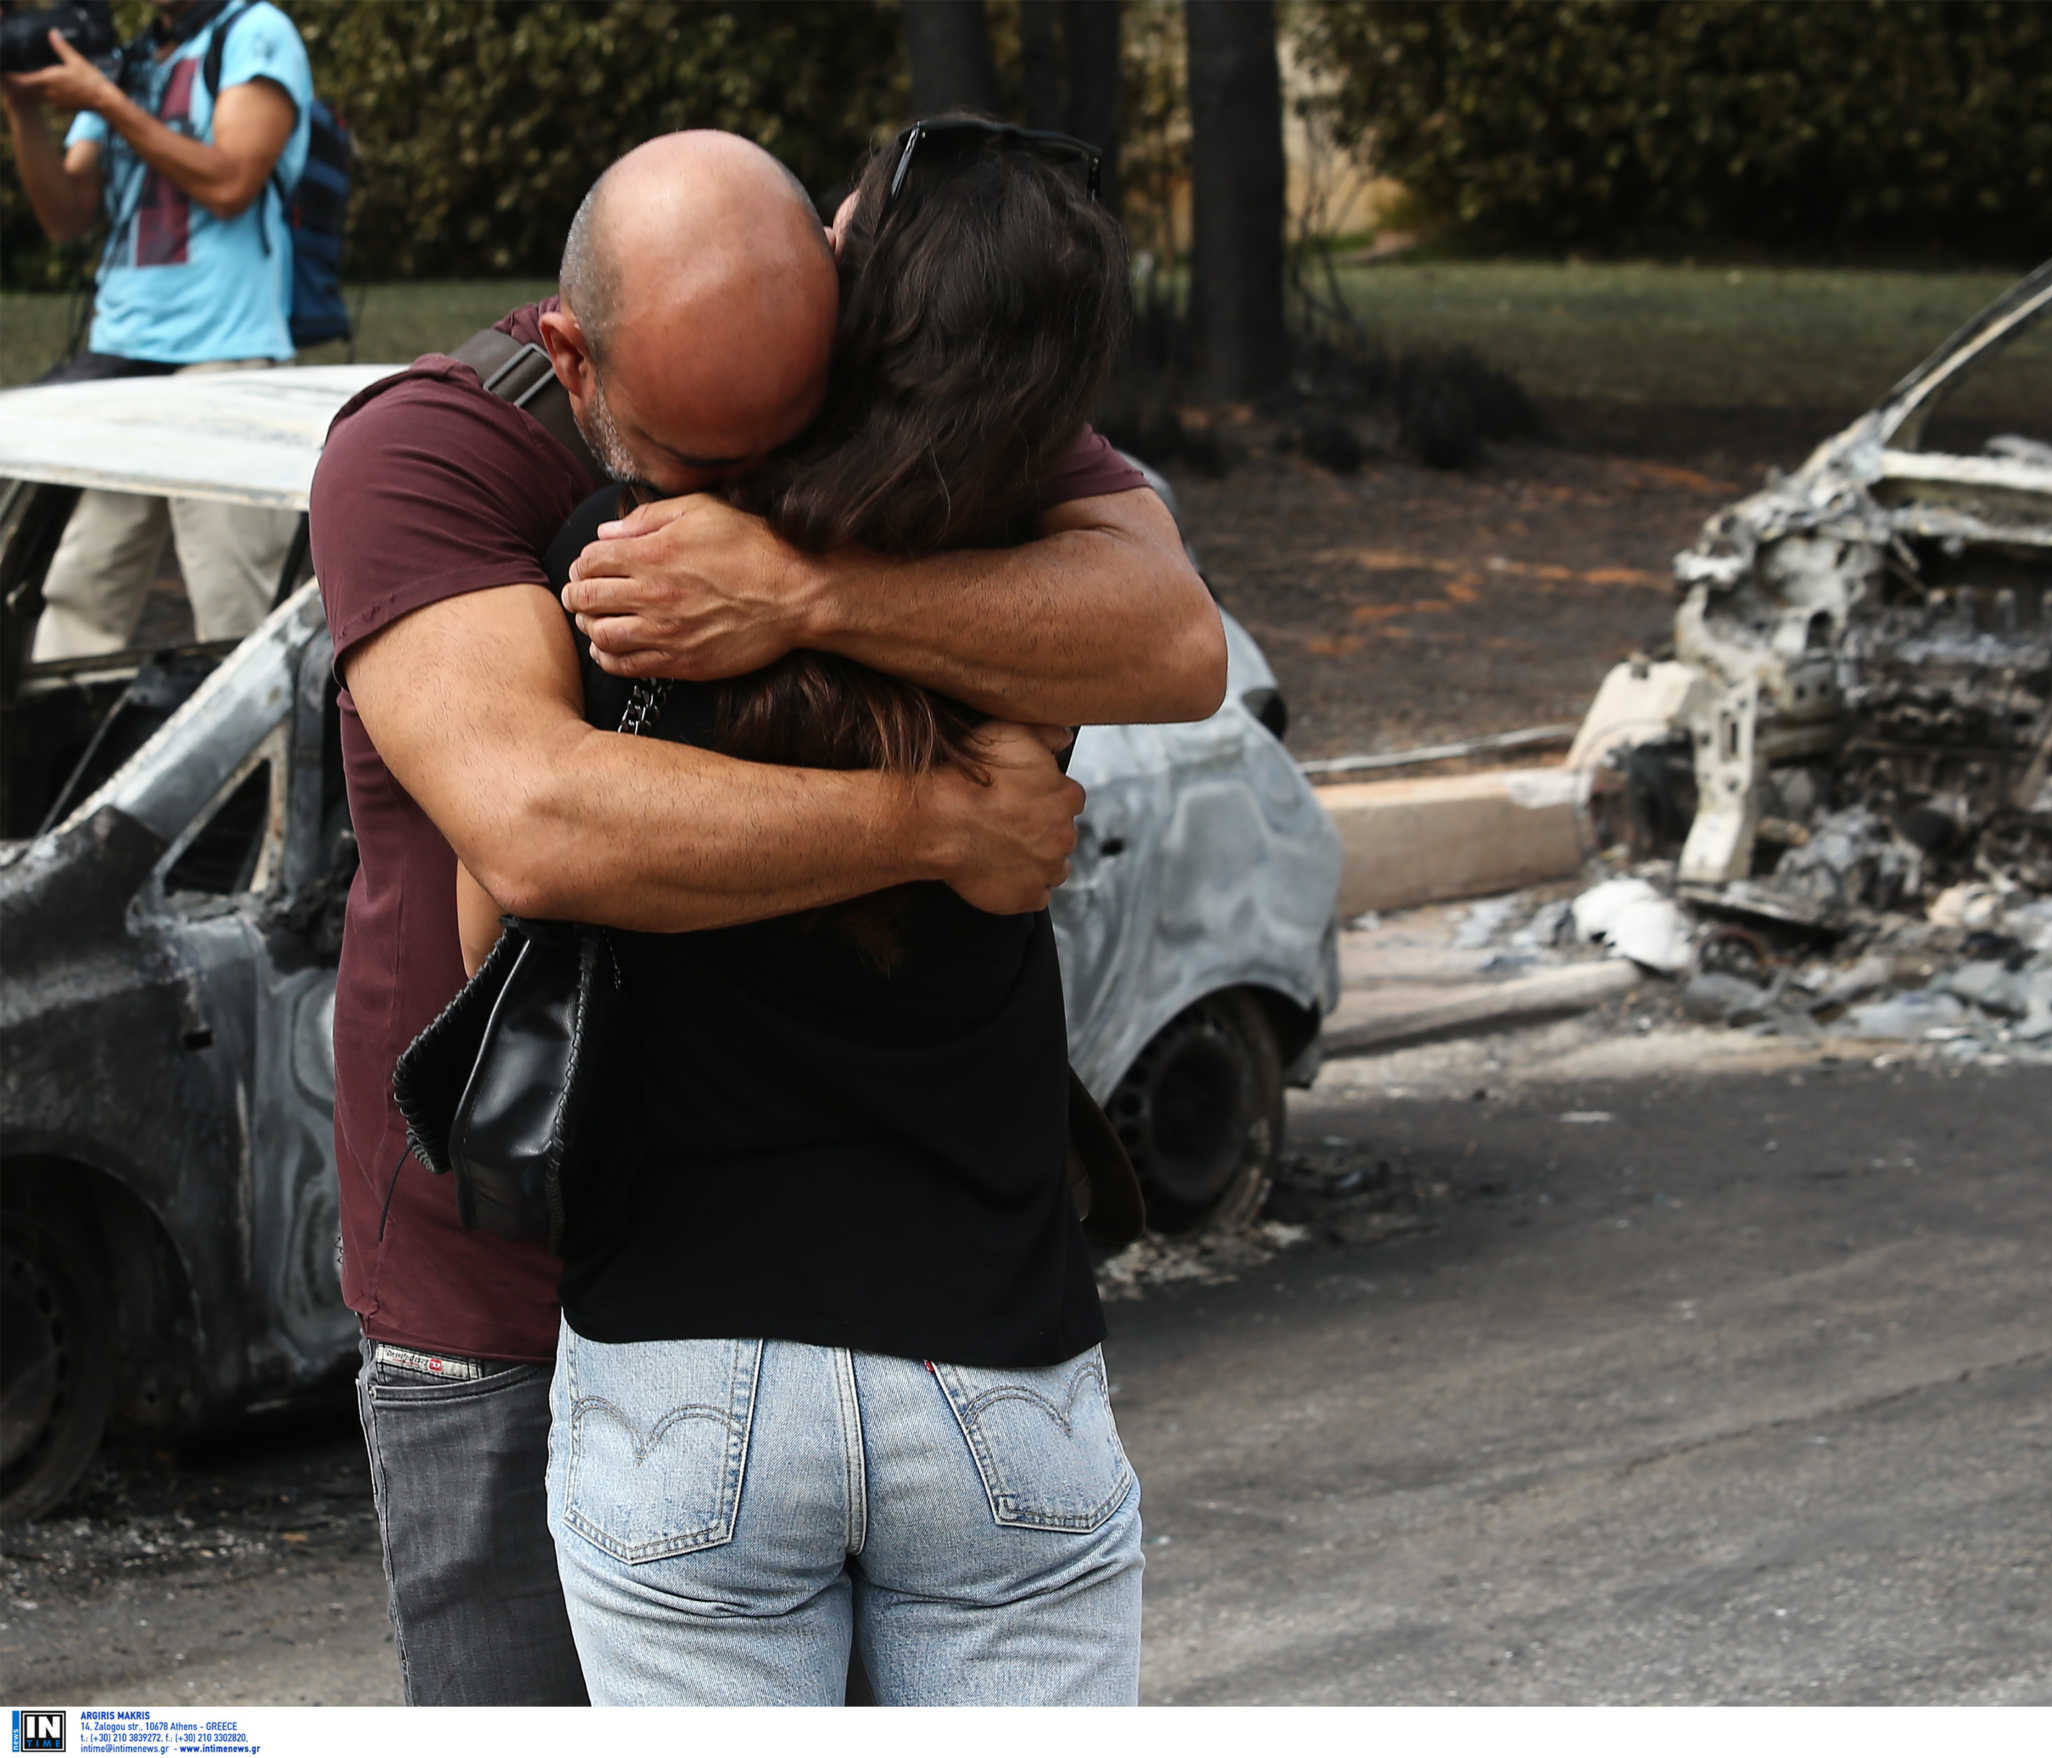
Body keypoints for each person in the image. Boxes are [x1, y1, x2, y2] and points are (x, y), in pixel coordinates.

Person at [306, 129, 1223, 1707]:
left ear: (836, 297)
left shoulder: (870, 392)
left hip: (720, 1357)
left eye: (783, 441)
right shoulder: (427, 455)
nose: (737, 499)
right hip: (505, 1305)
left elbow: (1171, 638)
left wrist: (814, 594)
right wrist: (934, 823)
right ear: (575, 361)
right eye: (687, 458)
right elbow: (538, 823)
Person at [2, 0, 311, 658]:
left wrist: (106, 102)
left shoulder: (254, 33)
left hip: (224, 357)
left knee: (234, 599)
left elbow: (232, 181)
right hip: (120, 356)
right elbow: (66, 213)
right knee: (81, 586)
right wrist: (22, 107)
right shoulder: (129, 59)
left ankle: (244, 756)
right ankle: (61, 747)